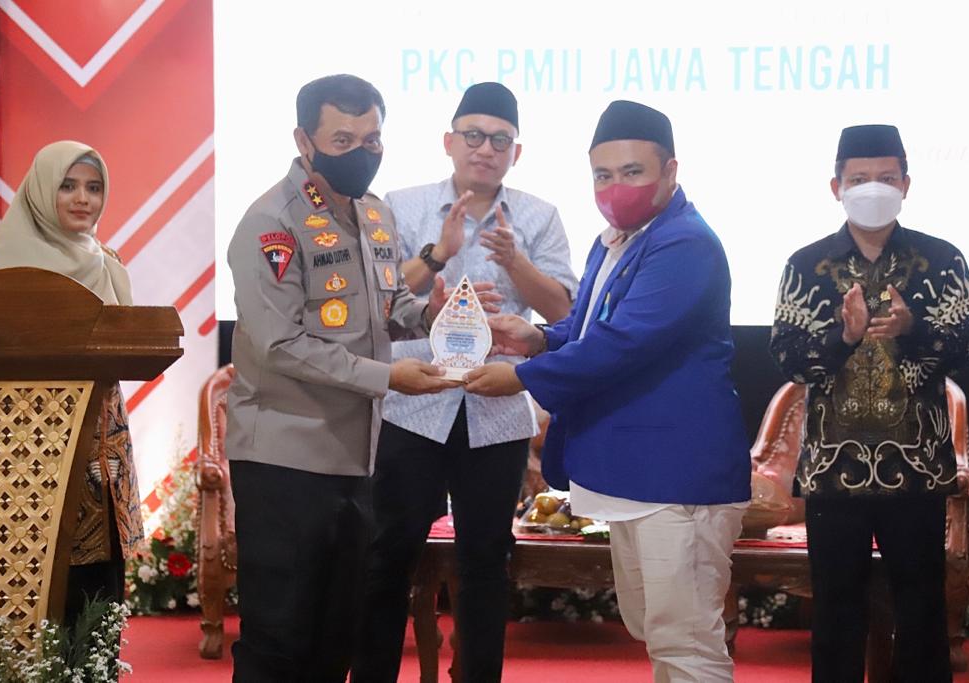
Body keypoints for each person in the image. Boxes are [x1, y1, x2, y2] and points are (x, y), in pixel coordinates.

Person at [464, 100, 751, 682]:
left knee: (686, 640)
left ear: (670, 171)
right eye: (603, 174)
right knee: (656, 628)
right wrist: (540, 339)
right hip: (634, 471)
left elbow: (626, 341)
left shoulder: (684, 243)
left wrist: (520, 378)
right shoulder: (617, 238)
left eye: (632, 172)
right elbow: (593, 326)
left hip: (676, 474)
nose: (615, 187)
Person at [225, 74, 483, 682]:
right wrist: (387, 377)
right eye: (343, 139)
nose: (361, 153)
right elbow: (281, 345)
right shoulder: (271, 223)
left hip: (355, 459)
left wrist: (434, 316)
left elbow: (384, 311)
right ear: (304, 141)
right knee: (279, 639)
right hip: (284, 459)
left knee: (335, 636)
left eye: (372, 139)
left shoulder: (374, 213)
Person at [351, 82, 578, 683]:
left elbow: (562, 312)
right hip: (413, 402)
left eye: (500, 140)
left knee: (485, 560)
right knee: (388, 554)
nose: (485, 149)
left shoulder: (540, 216)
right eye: (473, 136)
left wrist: (514, 263)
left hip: (495, 407)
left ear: (516, 152)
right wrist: (437, 258)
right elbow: (375, 300)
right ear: (449, 142)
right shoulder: (400, 206)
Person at [769, 124, 969, 682]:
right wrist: (843, 336)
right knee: (836, 612)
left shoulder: (943, 260)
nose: (873, 188)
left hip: (916, 469)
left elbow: (964, 348)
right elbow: (788, 358)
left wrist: (912, 330)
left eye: (886, 177)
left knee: (921, 609)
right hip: (833, 471)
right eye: (859, 178)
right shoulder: (805, 265)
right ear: (835, 187)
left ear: (906, 184)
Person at [0, 140, 142, 627]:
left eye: (93, 187)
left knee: (96, 592)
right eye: (67, 186)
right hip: (23, 449)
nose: (82, 198)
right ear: (41, 190)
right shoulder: (4, 261)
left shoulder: (106, 261)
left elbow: (131, 336)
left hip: (99, 446)